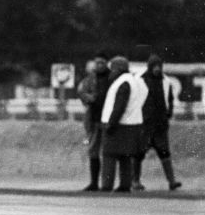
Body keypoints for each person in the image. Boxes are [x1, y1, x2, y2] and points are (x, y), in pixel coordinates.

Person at [133, 54, 182, 191]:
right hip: (144, 124)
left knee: (165, 153)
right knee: (138, 153)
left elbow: (170, 100)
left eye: (159, 66)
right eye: (154, 66)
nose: (157, 69)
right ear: (149, 66)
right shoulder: (139, 80)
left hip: (160, 125)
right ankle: (135, 181)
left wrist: (169, 113)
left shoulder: (166, 81)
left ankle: (172, 181)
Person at [100, 56, 148, 192]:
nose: (111, 72)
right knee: (125, 156)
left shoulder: (123, 82)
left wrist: (111, 123)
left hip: (119, 125)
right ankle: (124, 185)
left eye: (113, 69)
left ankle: (106, 185)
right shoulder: (134, 81)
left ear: (119, 69)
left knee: (109, 155)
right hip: (133, 124)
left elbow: (119, 106)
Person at [76, 52, 111, 191]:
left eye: (102, 62)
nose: (100, 65)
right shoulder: (90, 79)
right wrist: (90, 98)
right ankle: (94, 182)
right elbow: (81, 92)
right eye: (97, 62)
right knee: (94, 151)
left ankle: (107, 183)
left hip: (108, 120)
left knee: (109, 152)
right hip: (94, 119)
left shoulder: (111, 78)